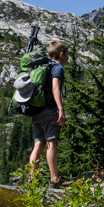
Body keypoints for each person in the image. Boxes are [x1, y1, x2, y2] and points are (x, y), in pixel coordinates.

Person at [29, 41, 70, 188]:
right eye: (67, 54)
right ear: (61, 54)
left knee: (38, 143)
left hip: (37, 110)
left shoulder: (45, 67)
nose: (68, 58)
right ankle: (55, 179)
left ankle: (31, 179)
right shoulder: (58, 68)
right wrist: (61, 109)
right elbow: (55, 87)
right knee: (51, 143)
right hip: (49, 111)